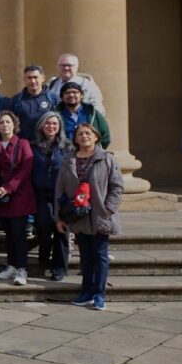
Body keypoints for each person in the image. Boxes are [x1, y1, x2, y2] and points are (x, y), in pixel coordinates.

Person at [56, 123, 123, 311]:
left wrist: (108, 209)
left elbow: (117, 187)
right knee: (85, 255)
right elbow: (59, 189)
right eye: (80, 134)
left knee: (100, 255)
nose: (84, 136)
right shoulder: (69, 160)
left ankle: (99, 294)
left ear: (95, 137)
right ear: (75, 139)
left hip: (100, 214)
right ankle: (86, 290)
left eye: (88, 133)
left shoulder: (106, 159)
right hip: (78, 215)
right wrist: (59, 217)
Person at [0, 110, 35, 286]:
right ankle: (12, 265)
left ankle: (22, 268)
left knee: (19, 234)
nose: (5, 125)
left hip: (19, 196)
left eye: (8, 122)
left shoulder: (23, 144)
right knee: (8, 233)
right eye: (1, 123)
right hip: (1, 196)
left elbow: (25, 170)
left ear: (14, 124)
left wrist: (8, 188)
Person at [32, 111, 72, 282]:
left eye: (55, 123)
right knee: (44, 225)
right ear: (41, 125)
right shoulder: (33, 145)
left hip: (62, 195)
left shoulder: (68, 147)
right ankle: (43, 259)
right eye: (48, 123)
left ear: (60, 126)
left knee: (61, 230)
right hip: (41, 193)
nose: (51, 126)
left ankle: (59, 267)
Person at [11, 65, 59, 141]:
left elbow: (61, 123)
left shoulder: (53, 99)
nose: (33, 81)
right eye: (29, 78)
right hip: (25, 145)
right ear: (24, 79)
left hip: (47, 145)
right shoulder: (17, 100)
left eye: (35, 77)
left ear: (42, 78)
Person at [58, 82, 111, 148]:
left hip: (89, 155)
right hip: (64, 156)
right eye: (67, 93)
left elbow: (105, 137)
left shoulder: (92, 113)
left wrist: (94, 152)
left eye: (75, 92)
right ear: (62, 97)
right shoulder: (56, 115)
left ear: (81, 95)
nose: (71, 95)